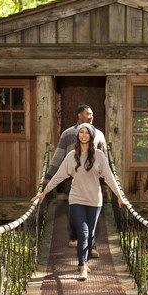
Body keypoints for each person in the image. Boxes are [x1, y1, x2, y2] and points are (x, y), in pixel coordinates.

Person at [32, 123, 126, 281]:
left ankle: (86, 261)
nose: (83, 135)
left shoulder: (99, 156)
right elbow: (59, 176)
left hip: (95, 200)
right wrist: (44, 192)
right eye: (81, 132)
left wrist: (119, 195)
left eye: (86, 132)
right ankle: (82, 266)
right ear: (77, 136)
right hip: (76, 199)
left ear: (91, 135)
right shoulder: (71, 156)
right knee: (83, 233)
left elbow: (109, 176)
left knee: (90, 236)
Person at [43, 104, 107, 258]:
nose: (91, 117)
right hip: (71, 177)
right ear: (79, 116)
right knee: (75, 209)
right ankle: (74, 237)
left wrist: (105, 180)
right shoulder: (67, 134)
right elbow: (59, 156)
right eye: (87, 114)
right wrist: (49, 176)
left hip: (91, 179)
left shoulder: (99, 134)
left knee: (91, 213)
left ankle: (91, 246)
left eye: (92, 114)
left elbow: (104, 157)